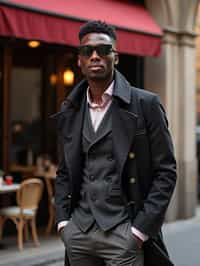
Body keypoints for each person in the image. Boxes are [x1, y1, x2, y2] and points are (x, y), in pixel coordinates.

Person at [53, 20, 177, 266]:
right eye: (88, 51)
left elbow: (166, 171)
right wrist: (63, 223)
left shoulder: (145, 105)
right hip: (79, 232)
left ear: (116, 57)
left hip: (123, 233)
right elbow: (64, 170)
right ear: (80, 60)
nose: (95, 56)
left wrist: (139, 231)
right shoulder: (70, 109)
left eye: (104, 50)